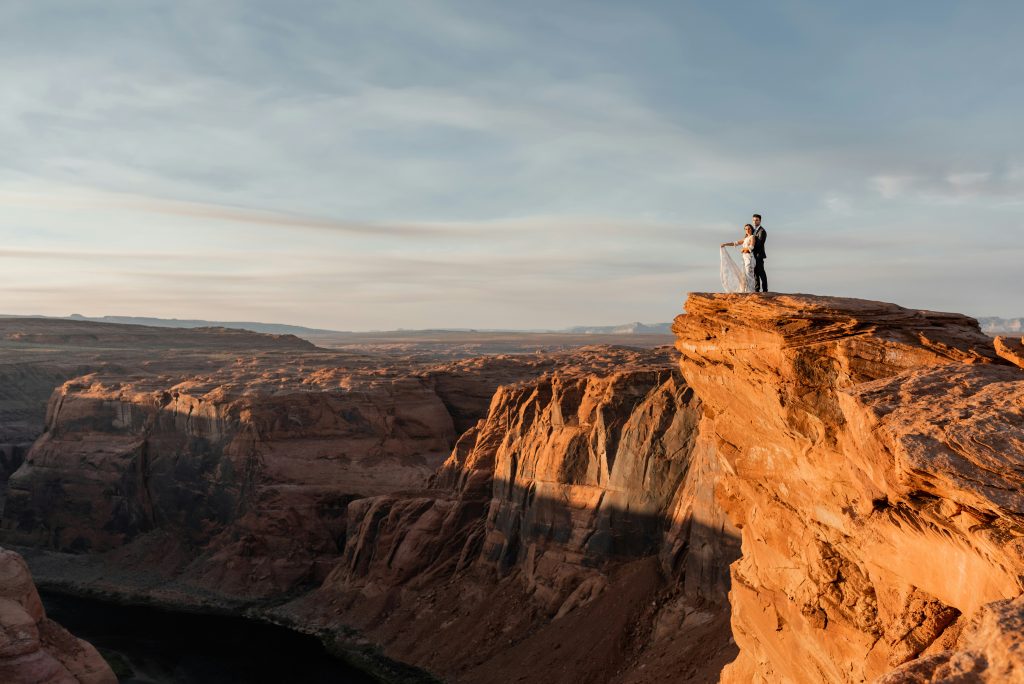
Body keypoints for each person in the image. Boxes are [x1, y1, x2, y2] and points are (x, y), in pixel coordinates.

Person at [721, 224, 756, 292]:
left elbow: (751, 247)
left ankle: (751, 290)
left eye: (749, 228)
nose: (747, 230)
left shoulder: (752, 237)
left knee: (749, 273)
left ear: (751, 229)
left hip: (749, 257)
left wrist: (743, 250)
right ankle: (746, 290)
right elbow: (735, 243)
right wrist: (725, 244)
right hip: (744, 258)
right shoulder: (745, 239)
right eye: (746, 229)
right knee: (744, 274)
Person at [751, 213, 768, 292]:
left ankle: (765, 290)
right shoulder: (752, 231)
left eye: (757, 220)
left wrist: (750, 248)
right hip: (753, 255)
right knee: (755, 273)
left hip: (759, 255)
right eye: (754, 220)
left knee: (761, 272)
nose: (755, 222)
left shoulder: (762, 231)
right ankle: (757, 289)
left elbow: (760, 244)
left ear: (760, 221)